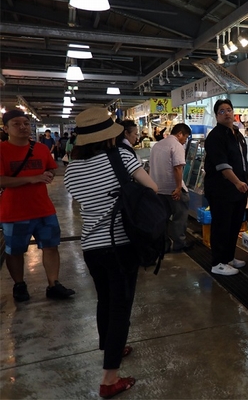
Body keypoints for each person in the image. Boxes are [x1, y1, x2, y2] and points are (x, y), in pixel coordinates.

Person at [64, 107, 157, 399]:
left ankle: (111, 347)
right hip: (120, 245)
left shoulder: (71, 168)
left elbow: (83, 201)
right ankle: (109, 379)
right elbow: (151, 187)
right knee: (121, 309)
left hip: (91, 247)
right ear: (109, 135)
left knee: (105, 300)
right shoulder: (122, 157)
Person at [0, 109, 75, 302]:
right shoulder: (2, 150)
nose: (23, 127)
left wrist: (49, 174)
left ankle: (53, 284)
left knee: (51, 246)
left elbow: (51, 167)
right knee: (15, 250)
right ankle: (19, 284)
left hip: (43, 208)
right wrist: (33, 178)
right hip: (14, 211)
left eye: (25, 123)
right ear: (6, 128)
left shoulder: (40, 148)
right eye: (16, 124)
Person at [204, 99, 248, 276]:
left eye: (229, 110)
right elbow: (221, 165)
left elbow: (242, 160)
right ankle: (217, 262)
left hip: (238, 189)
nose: (226, 113)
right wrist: (237, 182)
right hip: (221, 189)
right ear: (216, 115)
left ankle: (228, 257)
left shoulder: (237, 134)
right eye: (221, 111)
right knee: (221, 225)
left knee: (234, 225)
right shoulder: (215, 136)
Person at [149, 123, 192, 253]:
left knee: (163, 219)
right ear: (179, 134)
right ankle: (179, 244)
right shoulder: (176, 145)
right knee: (180, 217)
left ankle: (165, 244)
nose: (185, 141)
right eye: (185, 137)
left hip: (158, 189)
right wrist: (178, 188)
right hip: (173, 190)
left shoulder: (157, 145)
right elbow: (177, 167)